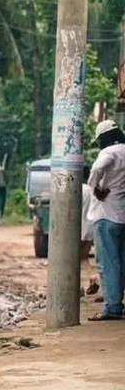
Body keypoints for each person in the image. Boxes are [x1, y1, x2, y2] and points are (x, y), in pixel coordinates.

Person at [87, 120, 125, 321]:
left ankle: (112, 307)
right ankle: (116, 302)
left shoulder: (108, 152)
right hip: (122, 214)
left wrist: (95, 187)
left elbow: (97, 169)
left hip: (106, 214)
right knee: (121, 262)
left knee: (108, 263)